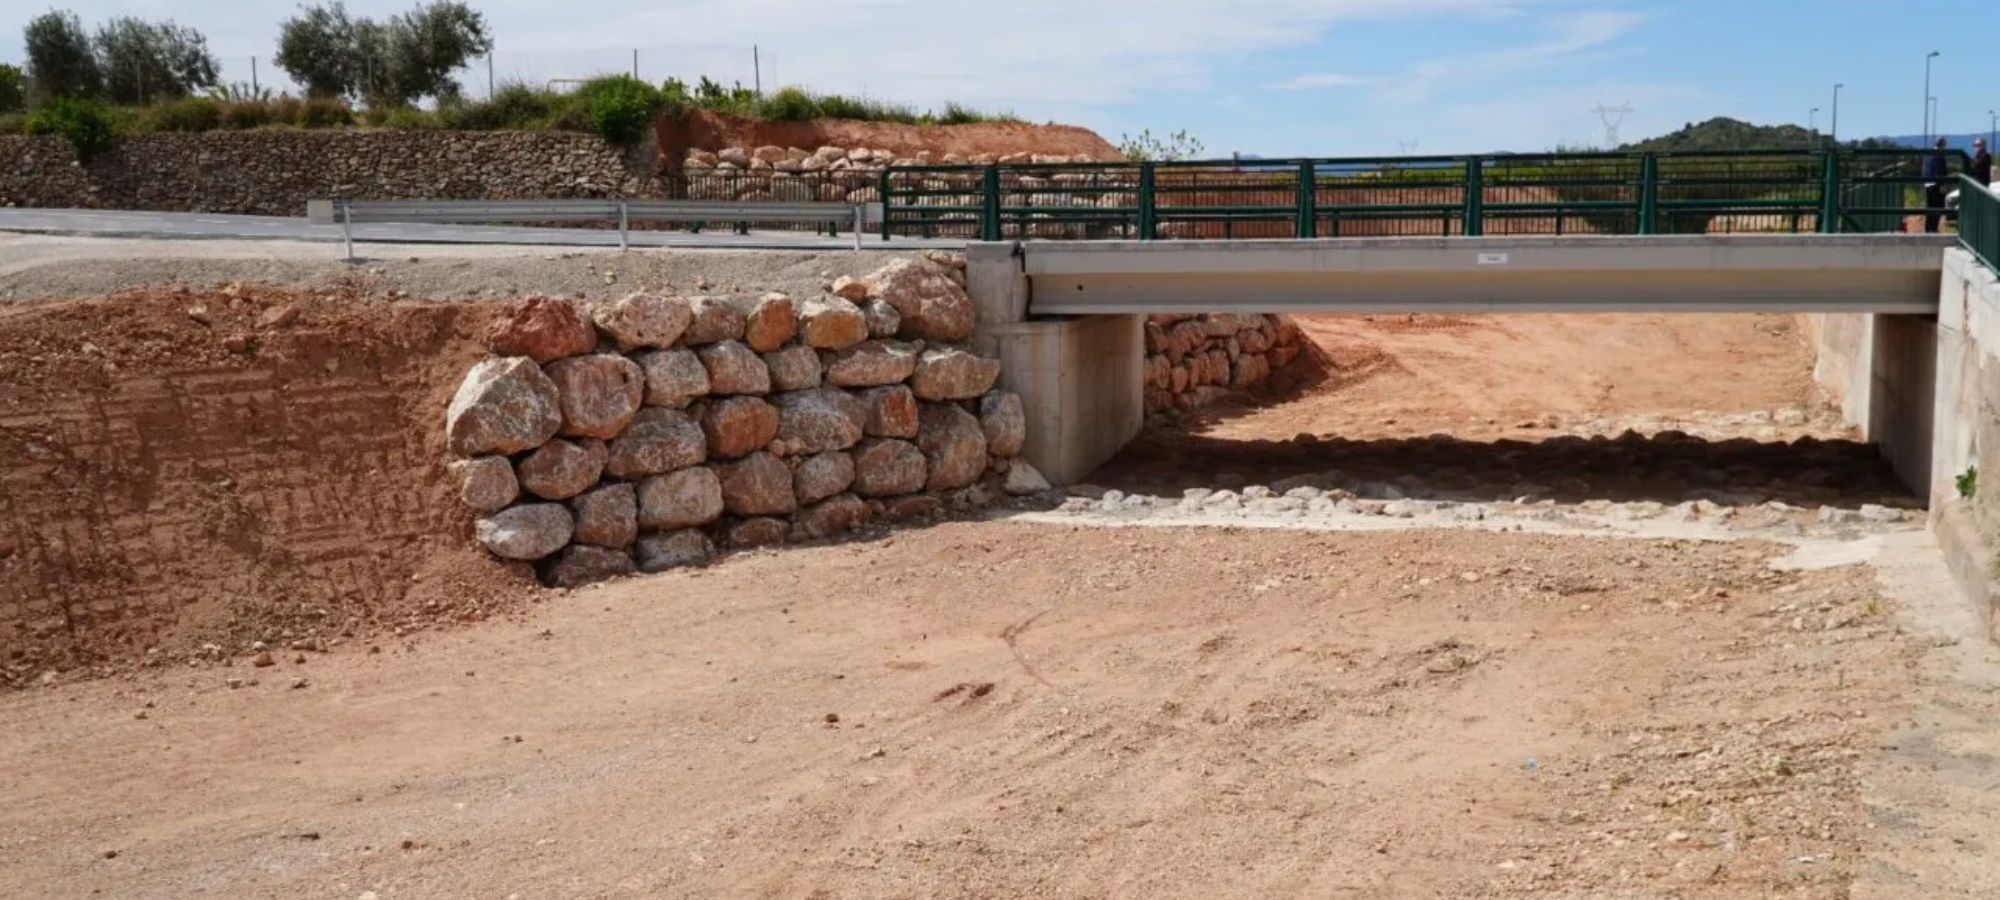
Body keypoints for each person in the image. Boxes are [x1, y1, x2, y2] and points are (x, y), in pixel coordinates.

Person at [1924, 137, 1951, 233]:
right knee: (1938, 207)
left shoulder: (1928, 155)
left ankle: (1928, 229)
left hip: (1928, 185)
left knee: (1930, 208)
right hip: (1936, 185)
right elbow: (1940, 171)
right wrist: (1943, 185)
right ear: (1943, 144)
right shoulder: (1940, 155)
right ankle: (1933, 229)